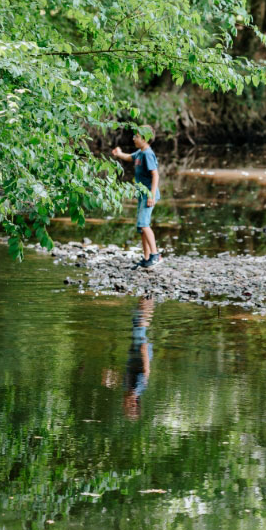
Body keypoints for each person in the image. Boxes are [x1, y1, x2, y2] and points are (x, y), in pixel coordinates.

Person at [110, 128, 161, 268]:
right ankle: (146, 258)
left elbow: (155, 175)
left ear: (144, 139)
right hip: (142, 194)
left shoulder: (148, 154)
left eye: (136, 136)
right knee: (141, 226)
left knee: (144, 224)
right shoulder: (140, 153)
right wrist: (119, 154)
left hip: (148, 195)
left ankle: (155, 255)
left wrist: (151, 194)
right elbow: (129, 157)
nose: (133, 138)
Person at [123, 296, 155, 420]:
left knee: (138, 322)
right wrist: (144, 351)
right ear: (133, 403)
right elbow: (146, 371)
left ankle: (147, 296)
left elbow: (125, 372)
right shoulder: (138, 387)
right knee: (140, 322)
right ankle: (148, 296)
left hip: (135, 350)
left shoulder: (129, 387)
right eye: (126, 407)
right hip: (141, 350)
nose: (123, 404)